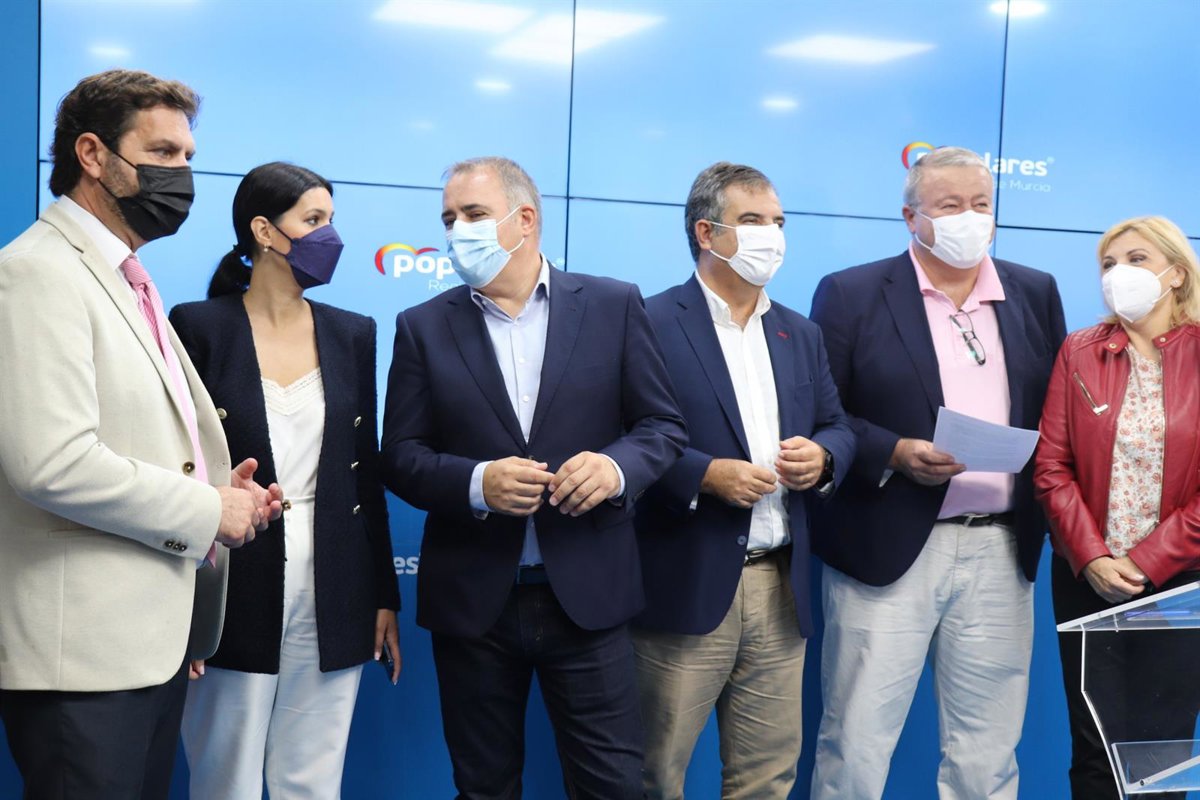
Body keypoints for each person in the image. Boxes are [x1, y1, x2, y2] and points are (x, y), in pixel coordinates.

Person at [0, 68, 280, 797]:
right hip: (83, 660)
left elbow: (130, 438)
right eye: (161, 154)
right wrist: (206, 510)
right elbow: (51, 463)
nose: (181, 175)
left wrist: (219, 493)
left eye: (187, 157)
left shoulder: (125, 277)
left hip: (148, 645)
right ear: (92, 155)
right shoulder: (38, 273)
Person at [381, 156, 687, 799]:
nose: (457, 230)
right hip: (474, 602)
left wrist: (614, 468)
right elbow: (401, 455)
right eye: (448, 219)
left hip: (589, 595)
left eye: (473, 214)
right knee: (483, 787)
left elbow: (662, 426)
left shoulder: (613, 304)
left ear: (525, 219)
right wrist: (477, 483)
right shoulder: (422, 326)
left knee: (612, 786)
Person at [808, 146, 1066, 799]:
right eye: (950, 206)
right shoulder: (851, 293)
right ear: (910, 217)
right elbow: (822, 413)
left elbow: (1056, 414)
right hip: (886, 547)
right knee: (856, 742)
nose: (969, 219)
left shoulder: (1034, 291)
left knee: (988, 750)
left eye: (981, 204)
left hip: (1000, 550)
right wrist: (895, 452)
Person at [169, 161, 401, 799]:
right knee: (226, 777)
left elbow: (366, 473)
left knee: (313, 779)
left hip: (338, 587)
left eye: (331, 219)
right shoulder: (198, 327)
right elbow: (176, 468)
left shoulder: (352, 332)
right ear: (265, 231)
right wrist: (183, 610)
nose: (331, 236)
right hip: (231, 582)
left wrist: (384, 594)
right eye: (314, 219)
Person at [632, 162, 854, 800]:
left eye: (778, 222)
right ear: (706, 232)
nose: (772, 236)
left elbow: (837, 425)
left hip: (781, 587)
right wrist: (702, 474)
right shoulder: (647, 320)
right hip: (684, 580)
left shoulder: (799, 331)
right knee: (654, 773)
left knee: (767, 777)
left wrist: (824, 457)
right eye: (753, 221)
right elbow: (623, 434)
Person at [1035, 216, 1200, 800]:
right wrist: (1093, 557)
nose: (1117, 274)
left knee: (1162, 752)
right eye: (1108, 264)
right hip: (1087, 580)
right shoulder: (1079, 351)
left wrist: (1147, 561)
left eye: (1136, 259)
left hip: (1180, 584)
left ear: (1175, 274)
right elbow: (1051, 466)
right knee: (1094, 748)